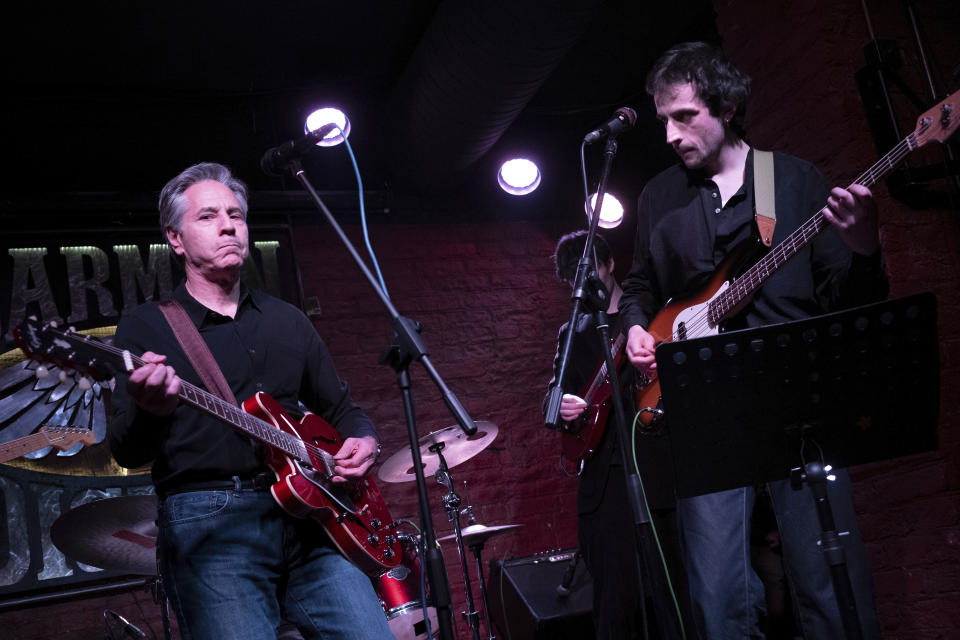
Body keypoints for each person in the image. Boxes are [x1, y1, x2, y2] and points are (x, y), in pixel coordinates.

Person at [620, 42, 887, 639]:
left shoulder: (791, 182)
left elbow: (847, 300)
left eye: (683, 116)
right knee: (716, 598)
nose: (669, 134)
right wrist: (635, 326)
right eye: (663, 119)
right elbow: (639, 286)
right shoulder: (660, 198)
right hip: (705, 409)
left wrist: (866, 246)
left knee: (827, 582)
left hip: (797, 401)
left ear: (729, 106)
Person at [108, 162, 393, 640]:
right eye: (208, 216)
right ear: (175, 239)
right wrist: (153, 413)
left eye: (236, 214)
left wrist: (364, 440)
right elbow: (126, 450)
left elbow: (343, 409)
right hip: (212, 522)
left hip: (315, 519)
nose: (228, 225)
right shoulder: (147, 327)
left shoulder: (288, 320)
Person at [545, 230, 688, 639]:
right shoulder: (571, 332)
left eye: (587, 270)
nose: (581, 282)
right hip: (603, 480)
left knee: (672, 592)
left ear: (609, 264)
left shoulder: (646, 317)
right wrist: (563, 407)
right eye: (571, 278)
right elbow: (551, 402)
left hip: (657, 466)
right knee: (616, 602)